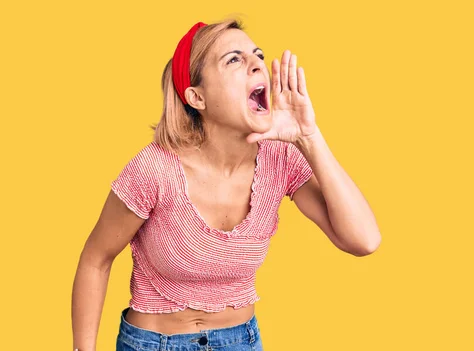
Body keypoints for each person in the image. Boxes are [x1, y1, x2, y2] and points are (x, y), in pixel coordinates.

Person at [71, 18, 381, 351]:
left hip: (241, 341)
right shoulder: (154, 170)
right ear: (197, 97)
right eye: (234, 59)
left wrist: (309, 137)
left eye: (257, 55)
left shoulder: (281, 158)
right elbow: (96, 259)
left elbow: (364, 240)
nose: (257, 64)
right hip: (154, 343)